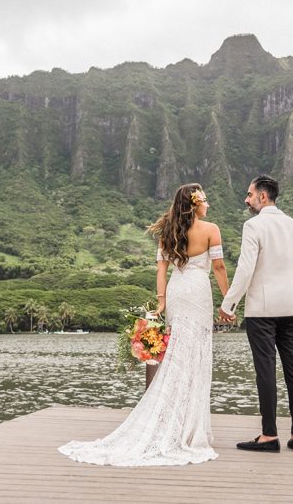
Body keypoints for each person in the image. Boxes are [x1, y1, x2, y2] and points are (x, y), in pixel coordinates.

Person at [58, 183, 229, 466]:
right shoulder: (211, 230)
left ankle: (173, 421)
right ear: (195, 203)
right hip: (198, 292)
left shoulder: (169, 232)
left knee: (176, 355)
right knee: (196, 356)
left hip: (177, 291)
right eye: (205, 200)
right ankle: (188, 429)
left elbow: (161, 270)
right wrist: (228, 301)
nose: (208, 205)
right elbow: (220, 268)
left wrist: (161, 302)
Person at [218, 174, 293, 453]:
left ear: (262, 196)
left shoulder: (254, 226)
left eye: (249, 194)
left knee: (266, 369)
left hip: (263, 309)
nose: (246, 200)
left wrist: (228, 304)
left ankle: (269, 435)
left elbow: (245, 269)